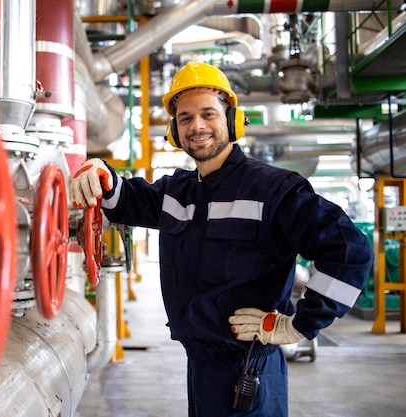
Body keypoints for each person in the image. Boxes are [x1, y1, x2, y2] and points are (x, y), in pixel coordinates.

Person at [69, 61, 374, 417]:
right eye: (185, 118)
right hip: (200, 366)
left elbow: (350, 250)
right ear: (174, 130)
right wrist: (99, 169)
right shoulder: (177, 192)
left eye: (208, 114)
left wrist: (298, 326)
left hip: (249, 372)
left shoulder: (273, 189)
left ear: (231, 120)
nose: (196, 126)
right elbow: (125, 199)